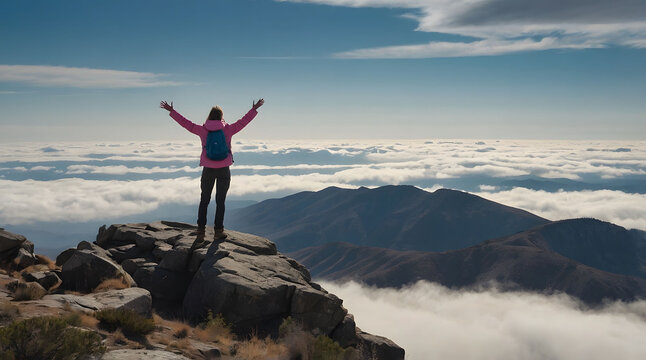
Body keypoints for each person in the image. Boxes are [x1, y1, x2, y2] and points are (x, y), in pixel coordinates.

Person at [160, 98, 264, 239]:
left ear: (209, 116)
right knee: (220, 201)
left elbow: (186, 124)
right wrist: (254, 109)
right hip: (224, 169)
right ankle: (218, 231)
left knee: (204, 200)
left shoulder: (202, 130)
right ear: (221, 117)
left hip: (208, 169)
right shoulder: (228, 129)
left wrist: (172, 111)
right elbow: (243, 122)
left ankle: (201, 231)